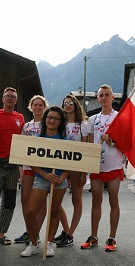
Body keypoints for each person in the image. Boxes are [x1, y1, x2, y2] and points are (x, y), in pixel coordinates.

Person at [21, 106, 69, 257]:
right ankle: (34, 243)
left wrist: (63, 177)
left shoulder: (66, 141)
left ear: (60, 122)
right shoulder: (37, 139)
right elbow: (31, 161)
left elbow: (72, 163)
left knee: (54, 211)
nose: (52, 121)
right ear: (45, 119)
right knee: (30, 212)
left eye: (56, 118)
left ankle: (49, 244)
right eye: (49, 117)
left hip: (59, 181)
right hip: (42, 179)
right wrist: (44, 174)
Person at [82, 84, 123, 252]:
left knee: (113, 199)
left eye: (107, 95)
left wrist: (111, 141)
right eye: (101, 95)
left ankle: (112, 238)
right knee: (96, 200)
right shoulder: (93, 119)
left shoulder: (120, 118)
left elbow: (126, 143)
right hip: (97, 165)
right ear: (98, 98)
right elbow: (90, 143)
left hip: (114, 164)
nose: (104, 97)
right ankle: (94, 236)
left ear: (113, 97)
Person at [0, 87, 25, 247]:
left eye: (13, 97)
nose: (10, 99)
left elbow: (23, 141)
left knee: (9, 202)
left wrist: (22, 168)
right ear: (2, 99)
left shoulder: (20, 117)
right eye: (7, 96)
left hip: (14, 164)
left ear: (16, 101)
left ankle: (3, 233)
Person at [54, 95, 88, 247]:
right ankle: (66, 230)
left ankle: (70, 233)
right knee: (55, 200)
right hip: (61, 166)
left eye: (70, 103)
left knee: (76, 200)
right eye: (64, 103)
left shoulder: (83, 125)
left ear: (76, 105)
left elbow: (86, 149)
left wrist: (84, 172)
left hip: (77, 167)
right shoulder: (60, 124)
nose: (67, 105)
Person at [14, 95, 48, 245]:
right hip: (28, 167)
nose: (38, 107)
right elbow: (21, 148)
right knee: (25, 199)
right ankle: (30, 231)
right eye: (35, 105)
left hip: (43, 168)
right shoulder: (26, 126)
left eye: (41, 105)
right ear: (31, 106)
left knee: (41, 202)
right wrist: (21, 167)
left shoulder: (48, 124)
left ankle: (36, 233)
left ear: (44, 107)